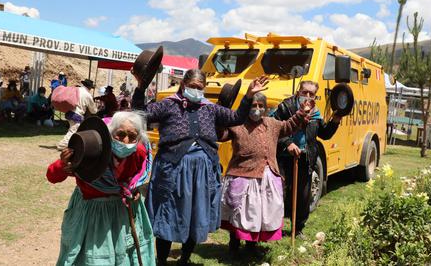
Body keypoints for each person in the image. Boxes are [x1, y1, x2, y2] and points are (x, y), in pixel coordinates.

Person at [132, 68, 268, 265]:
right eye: (192, 86)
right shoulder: (169, 105)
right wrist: (140, 88)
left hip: (203, 172)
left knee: (195, 215)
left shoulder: (210, 108)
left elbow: (236, 118)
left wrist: (248, 95)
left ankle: (184, 259)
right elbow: (140, 114)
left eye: (200, 87)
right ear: (183, 85)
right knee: (168, 213)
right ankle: (161, 260)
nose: (196, 90)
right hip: (174, 169)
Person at [47, 112, 156, 265]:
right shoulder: (91, 150)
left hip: (122, 212)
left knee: (124, 255)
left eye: (132, 137)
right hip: (91, 214)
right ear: (111, 133)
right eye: (121, 134)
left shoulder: (138, 152)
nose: (126, 141)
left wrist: (134, 190)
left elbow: (135, 179)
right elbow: (52, 176)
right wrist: (62, 165)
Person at [218, 92, 310, 251]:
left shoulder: (272, 124)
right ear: (247, 107)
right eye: (254, 105)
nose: (257, 109)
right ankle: (234, 243)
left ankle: (251, 245)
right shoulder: (237, 124)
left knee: (258, 213)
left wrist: (302, 113)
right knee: (239, 212)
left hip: (266, 176)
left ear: (266, 109)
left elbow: (289, 126)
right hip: (242, 175)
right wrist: (220, 118)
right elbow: (221, 135)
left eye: (261, 106)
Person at [274, 81, 342, 238]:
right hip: (284, 157)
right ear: (298, 92)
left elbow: (324, 134)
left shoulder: (316, 113)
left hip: (306, 158)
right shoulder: (286, 107)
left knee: (303, 196)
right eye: (305, 92)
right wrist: (287, 143)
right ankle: (275, 228)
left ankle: (297, 229)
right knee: (280, 193)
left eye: (312, 94)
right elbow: (274, 128)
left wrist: (335, 120)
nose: (308, 96)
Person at [56, 79, 98, 150]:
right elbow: (93, 110)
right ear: (90, 87)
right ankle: (62, 145)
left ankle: (71, 145)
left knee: (72, 129)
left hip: (69, 112)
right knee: (73, 131)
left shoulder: (76, 90)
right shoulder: (87, 95)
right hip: (77, 114)